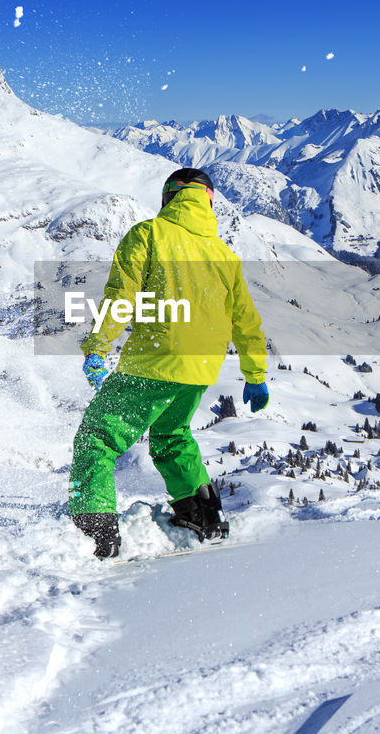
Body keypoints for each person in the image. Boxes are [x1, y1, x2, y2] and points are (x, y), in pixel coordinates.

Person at [68, 168, 269, 558]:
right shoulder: (225, 255)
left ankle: (94, 531)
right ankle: (206, 519)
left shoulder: (150, 235)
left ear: (169, 198)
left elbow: (120, 296)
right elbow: (246, 320)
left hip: (154, 361)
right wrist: (255, 374)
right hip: (199, 370)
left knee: (97, 437)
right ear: (208, 202)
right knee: (172, 437)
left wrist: (98, 346)